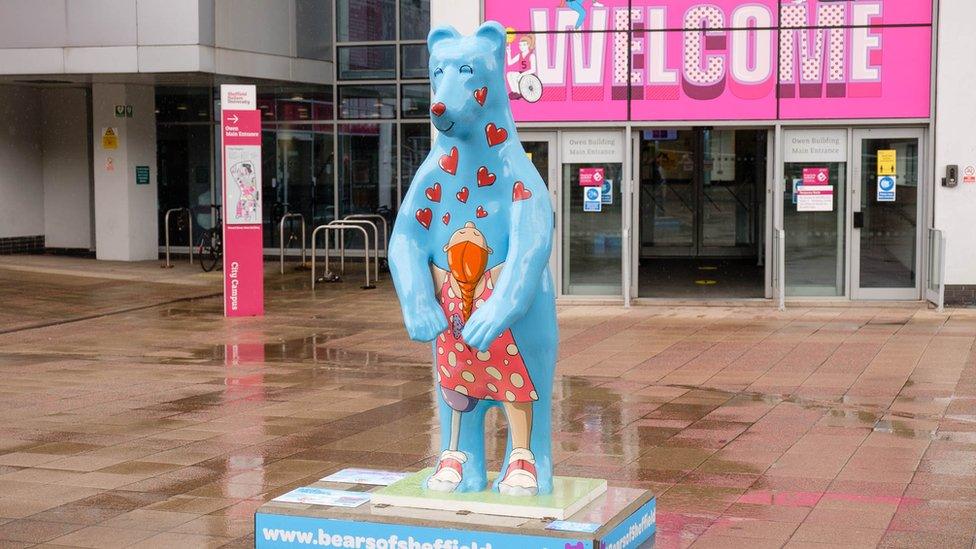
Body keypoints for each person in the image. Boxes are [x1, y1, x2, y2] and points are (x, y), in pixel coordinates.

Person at [506, 34, 537, 100]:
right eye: (520, 45)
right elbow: (510, 63)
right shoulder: (519, 55)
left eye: (524, 45)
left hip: (528, 74)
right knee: (509, 74)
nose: (521, 47)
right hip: (521, 72)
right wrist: (509, 53)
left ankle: (520, 93)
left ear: (528, 45)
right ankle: (515, 92)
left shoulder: (531, 55)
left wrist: (522, 74)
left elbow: (533, 69)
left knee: (516, 76)